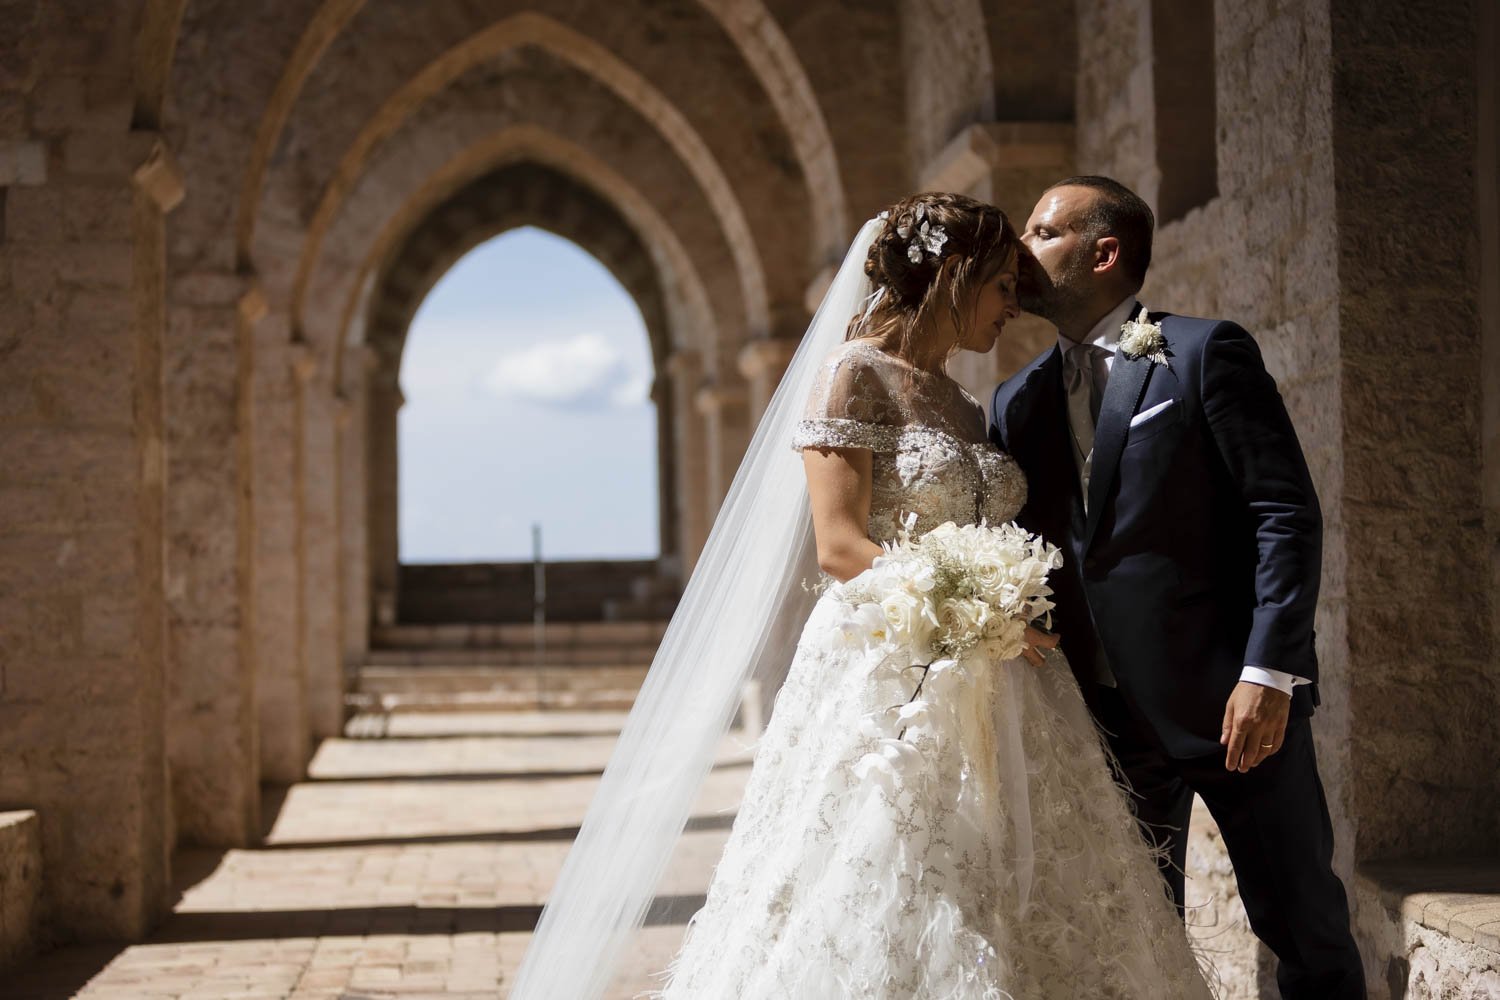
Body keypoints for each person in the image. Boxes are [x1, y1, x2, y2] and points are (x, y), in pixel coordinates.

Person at [511, 194, 1209, 1000]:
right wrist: (970, 609)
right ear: (953, 280)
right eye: (998, 288)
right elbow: (840, 546)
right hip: (894, 673)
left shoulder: (964, 401)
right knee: (901, 867)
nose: (1011, 306)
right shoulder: (852, 376)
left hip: (1009, 681)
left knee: (1031, 878)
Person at [990, 175, 1365, 999]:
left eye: (1043, 232)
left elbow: (1284, 516)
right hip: (1103, 722)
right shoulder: (1014, 404)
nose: (1020, 247)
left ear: (1105, 252)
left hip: (1234, 705)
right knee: (1135, 938)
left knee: (1302, 923)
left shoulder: (1203, 353)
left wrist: (1268, 673)